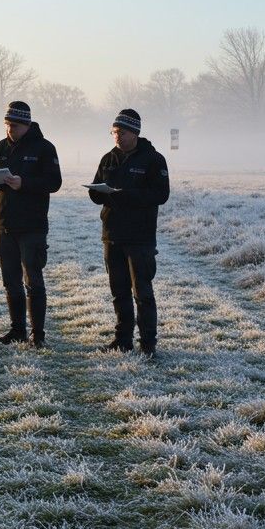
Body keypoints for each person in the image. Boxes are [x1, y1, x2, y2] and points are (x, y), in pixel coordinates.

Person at [88, 108, 170, 356]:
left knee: (142, 292)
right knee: (119, 291)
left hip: (140, 237)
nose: (117, 136)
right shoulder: (108, 158)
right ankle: (122, 340)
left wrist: (126, 193)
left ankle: (148, 344)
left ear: (135, 132)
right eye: (114, 132)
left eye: (121, 132)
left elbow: (161, 195)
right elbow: (94, 193)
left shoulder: (154, 160)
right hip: (111, 234)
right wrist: (98, 191)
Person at [0, 100, 62, 347]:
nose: (9, 130)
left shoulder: (45, 148)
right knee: (10, 282)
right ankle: (17, 330)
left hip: (32, 226)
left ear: (26, 124)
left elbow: (54, 182)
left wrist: (23, 183)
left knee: (33, 281)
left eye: (14, 125)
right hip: (3, 224)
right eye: (6, 125)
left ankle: (38, 335)